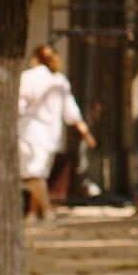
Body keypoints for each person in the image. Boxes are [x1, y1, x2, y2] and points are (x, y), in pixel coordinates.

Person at [16, 45, 95, 223]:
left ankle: (48, 212)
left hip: (30, 131)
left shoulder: (28, 77)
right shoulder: (60, 80)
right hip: (51, 135)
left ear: (35, 57)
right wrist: (86, 133)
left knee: (33, 174)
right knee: (39, 175)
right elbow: (71, 112)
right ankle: (31, 214)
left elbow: (19, 105)